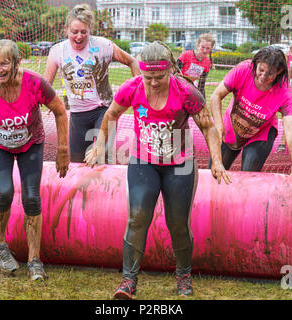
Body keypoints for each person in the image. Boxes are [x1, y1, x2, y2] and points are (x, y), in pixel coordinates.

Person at [85, 41, 231, 299]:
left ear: (171, 69)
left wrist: (217, 161)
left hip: (180, 164)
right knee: (137, 217)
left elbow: (208, 127)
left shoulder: (186, 91)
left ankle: (184, 276)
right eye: (148, 76)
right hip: (144, 161)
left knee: (177, 223)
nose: (153, 82)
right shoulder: (131, 88)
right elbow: (110, 116)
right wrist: (98, 146)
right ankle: (128, 281)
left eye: (159, 77)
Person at [0, 40, 70, 281]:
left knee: (31, 196)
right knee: (4, 192)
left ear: (16, 63)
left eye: (4, 63)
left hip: (30, 143)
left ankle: (34, 260)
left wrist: (63, 149)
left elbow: (60, 110)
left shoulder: (34, 83)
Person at [44, 4, 140, 163]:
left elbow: (133, 61)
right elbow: (45, 84)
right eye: (74, 32)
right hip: (77, 114)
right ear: (66, 29)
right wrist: (48, 102)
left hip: (103, 110)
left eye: (84, 32)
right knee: (76, 161)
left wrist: (139, 91)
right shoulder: (57, 51)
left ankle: (108, 185)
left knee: (102, 156)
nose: (79, 36)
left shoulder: (103, 46)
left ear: (90, 30)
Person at [210, 46, 292, 175]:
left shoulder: (285, 93)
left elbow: (290, 128)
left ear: (279, 71)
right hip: (232, 126)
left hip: (261, 133)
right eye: (261, 70)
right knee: (215, 171)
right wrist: (219, 125)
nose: (263, 76)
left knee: (248, 175)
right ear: (256, 64)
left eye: (270, 73)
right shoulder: (243, 70)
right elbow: (216, 96)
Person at [176, 33, 215, 98]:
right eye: (202, 47)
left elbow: (201, 84)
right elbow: (174, 72)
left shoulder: (207, 63)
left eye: (208, 48)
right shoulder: (186, 55)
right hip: (177, 87)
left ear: (211, 48)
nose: (205, 50)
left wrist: (203, 100)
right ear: (198, 44)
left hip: (189, 89)